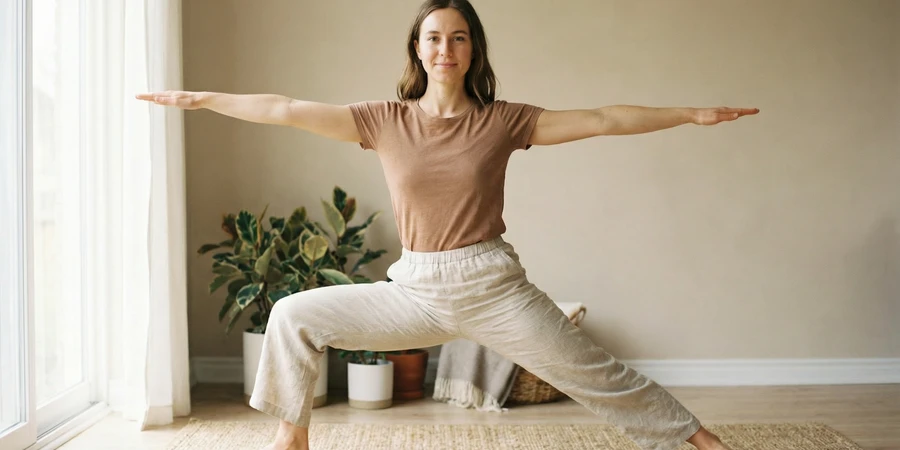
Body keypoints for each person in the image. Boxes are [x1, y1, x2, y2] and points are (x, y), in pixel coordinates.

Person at [139, 1, 758, 449]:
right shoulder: (383, 120)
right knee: (292, 315)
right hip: (415, 290)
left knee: (597, 374)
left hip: (493, 287)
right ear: (418, 48)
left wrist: (689, 113)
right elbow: (285, 108)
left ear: (472, 51)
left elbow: (602, 119)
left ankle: (703, 442)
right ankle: (290, 439)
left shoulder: (503, 121)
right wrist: (203, 100)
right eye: (434, 38)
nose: (445, 49)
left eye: (458, 39)